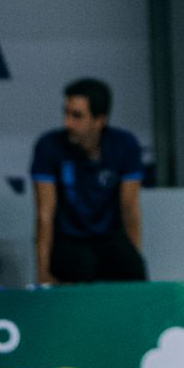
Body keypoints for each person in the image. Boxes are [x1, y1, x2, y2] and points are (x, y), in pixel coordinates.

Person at [31, 77, 147, 283]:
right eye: (66, 113)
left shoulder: (124, 145)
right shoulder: (48, 146)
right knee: (81, 264)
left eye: (76, 116)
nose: (67, 123)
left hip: (110, 238)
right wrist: (42, 272)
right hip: (69, 240)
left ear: (99, 120)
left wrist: (134, 257)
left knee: (132, 268)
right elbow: (44, 215)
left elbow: (129, 208)